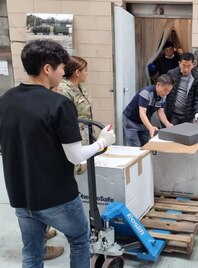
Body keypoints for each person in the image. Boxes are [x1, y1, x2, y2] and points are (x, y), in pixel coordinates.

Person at [0, 39, 116, 267]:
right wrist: (103, 142)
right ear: (47, 69)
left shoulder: (6, 100)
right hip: (56, 196)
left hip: (20, 194)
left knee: (32, 252)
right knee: (80, 239)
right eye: (62, 67)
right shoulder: (59, 105)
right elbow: (75, 156)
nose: (64, 72)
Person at [58, 55, 93, 175]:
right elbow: (66, 119)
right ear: (77, 72)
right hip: (74, 136)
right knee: (75, 170)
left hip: (86, 134)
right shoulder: (64, 90)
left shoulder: (80, 87)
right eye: (85, 70)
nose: (87, 73)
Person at [123, 74, 174, 147]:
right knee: (135, 147)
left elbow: (160, 112)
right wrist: (150, 128)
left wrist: (167, 124)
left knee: (145, 146)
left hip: (144, 122)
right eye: (165, 89)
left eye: (169, 90)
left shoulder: (163, 96)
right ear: (158, 84)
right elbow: (142, 113)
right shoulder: (146, 92)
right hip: (131, 121)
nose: (167, 93)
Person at [165, 52, 198, 125]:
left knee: (188, 135)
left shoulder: (197, 78)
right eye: (183, 65)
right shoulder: (171, 74)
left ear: (193, 65)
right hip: (173, 114)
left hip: (188, 115)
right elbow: (165, 92)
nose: (186, 69)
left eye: (189, 66)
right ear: (179, 63)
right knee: (173, 135)